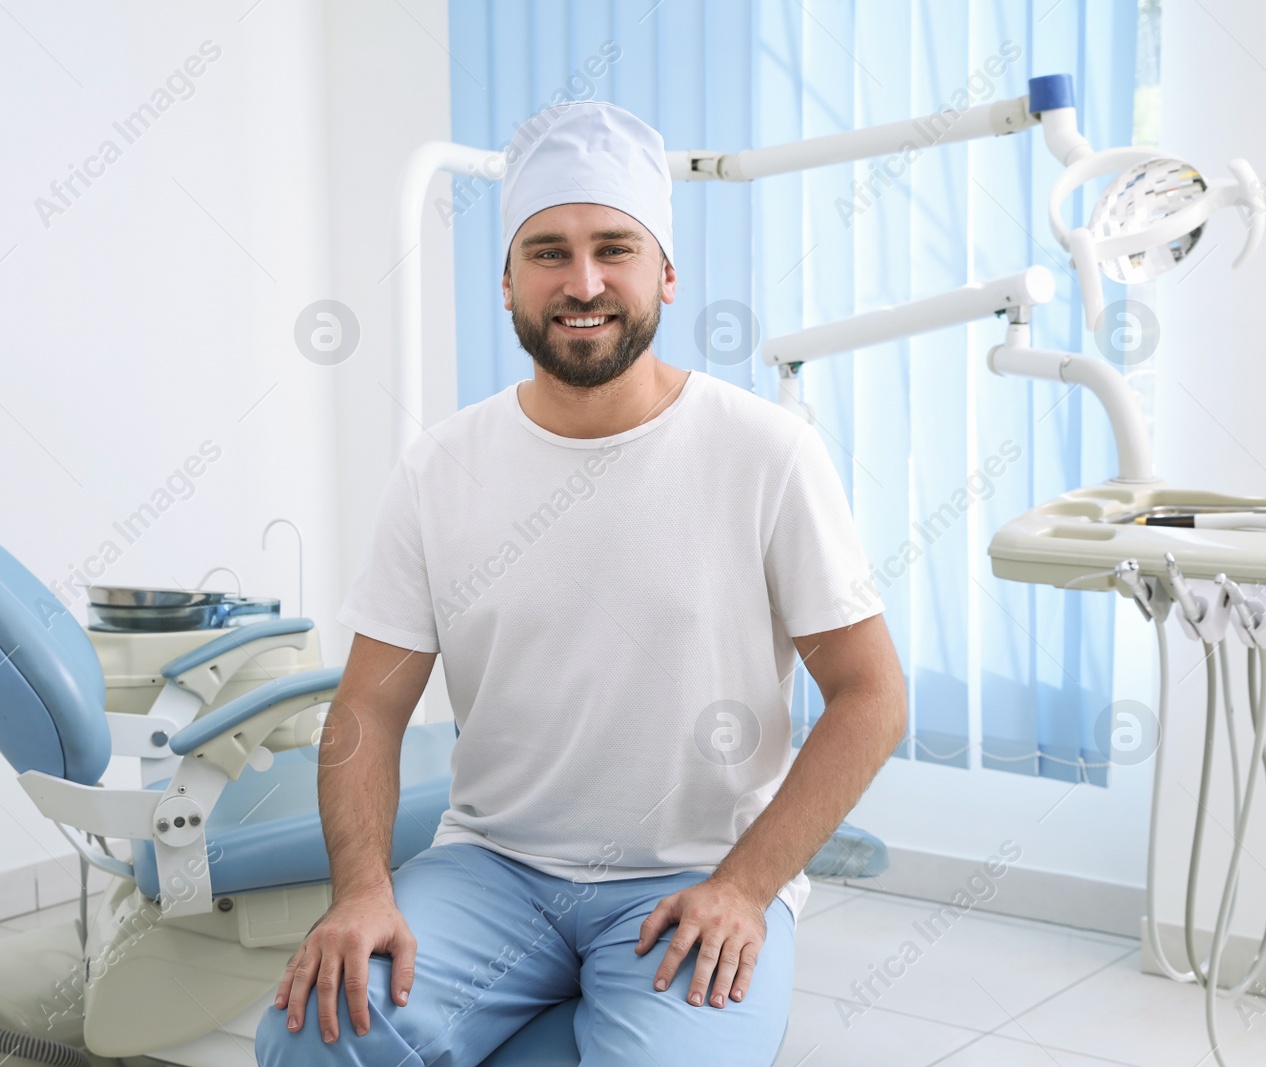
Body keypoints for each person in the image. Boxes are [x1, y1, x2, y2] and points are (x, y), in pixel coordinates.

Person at [256, 100, 906, 1067]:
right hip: (492, 869)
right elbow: (367, 709)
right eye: (549, 252)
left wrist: (746, 885)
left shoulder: (766, 454)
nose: (584, 281)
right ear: (509, 281)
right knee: (314, 1039)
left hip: (689, 879)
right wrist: (361, 889)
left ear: (666, 274)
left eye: (615, 247)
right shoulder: (441, 468)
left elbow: (872, 695)